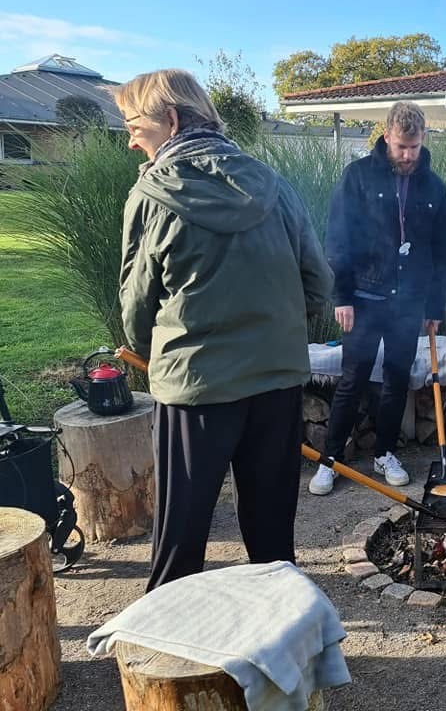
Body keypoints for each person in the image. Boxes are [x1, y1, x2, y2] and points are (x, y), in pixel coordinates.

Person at [109, 69, 333, 591]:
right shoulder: (274, 185)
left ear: (170, 119)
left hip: (196, 388)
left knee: (181, 535)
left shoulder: (152, 193)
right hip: (277, 383)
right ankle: (284, 649)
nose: (130, 138)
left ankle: (169, 650)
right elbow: (318, 284)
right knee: (273, 537)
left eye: (134, 124)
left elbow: (136, 308)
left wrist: (155, 347)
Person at [309, 101, 446, 496]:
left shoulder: (434, 187)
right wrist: (343, 296)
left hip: (410, 304)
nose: (407, 156)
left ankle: (385, 453)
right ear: (386, 135)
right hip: (365, 299)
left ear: (423, 140)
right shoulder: (357, 177)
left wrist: (435, 307)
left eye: (414, 147)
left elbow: (442, 253)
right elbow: (338, 238)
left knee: (396, 381)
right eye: (401, 146)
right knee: (352, 379)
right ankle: (331, 459)